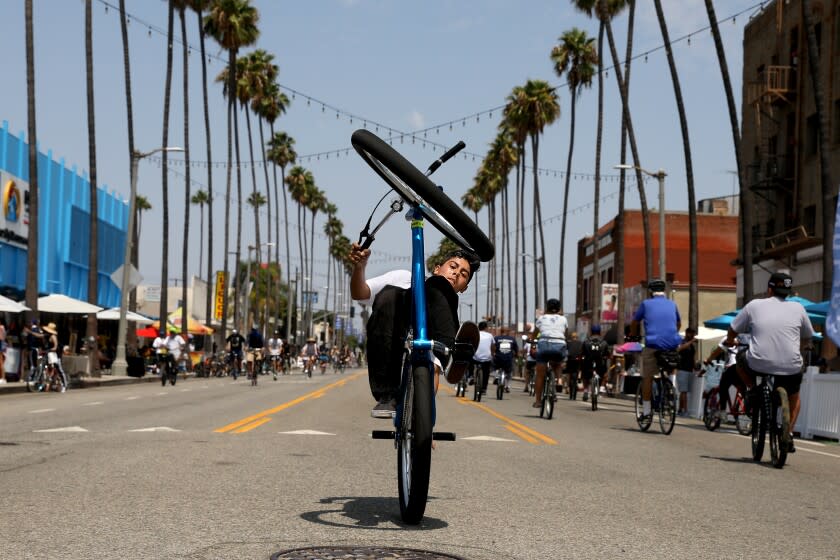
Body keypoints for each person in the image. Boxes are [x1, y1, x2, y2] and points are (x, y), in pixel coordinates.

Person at [349, 242, 480, 418]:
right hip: (394, 326)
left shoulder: (444, 301)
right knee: (389, 294)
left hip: (435, 331)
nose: (456, 273)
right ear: (437, 267)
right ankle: (387, 396)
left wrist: (423, 429)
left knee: (439, 287)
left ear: (464, 288)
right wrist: (359, 267)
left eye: (464, 274)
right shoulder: (402, 277)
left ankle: (451, 351)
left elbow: (433, 372)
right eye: (453, 266)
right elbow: (360, 293)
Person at [726, 272, 814, 453]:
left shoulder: (755, 305)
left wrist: (730, 341)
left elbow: (733, 329)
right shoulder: (798, 308)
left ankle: (751, 389)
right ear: (787, 292)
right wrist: (799, 348)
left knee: (741, 359)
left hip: (758, 363)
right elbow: (807, 336)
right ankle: (788, 434)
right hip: (791, 365)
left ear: (769, 289)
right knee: (794, 396)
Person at [630, 279, 682, 423]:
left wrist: (634, 337)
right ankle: (671, 387)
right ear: (664, 290)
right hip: (672, 343)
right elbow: (678, 323)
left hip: (653, 343)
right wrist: (671, 336)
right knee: (671, 364)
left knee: (648, 377)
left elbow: (635, 322)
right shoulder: (672, 304)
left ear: (650, 291)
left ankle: (646, 412)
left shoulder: (646, 304)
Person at [704, 333, 750, 422]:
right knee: (743, 387)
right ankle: (749, 407)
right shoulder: (749, 336)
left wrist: (709, 359)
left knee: (723, 385)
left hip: (733, 367)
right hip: (748, 366)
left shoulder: (728, 338)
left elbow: (718, 350)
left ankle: (723, 410)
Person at [531, 298, 568, 408]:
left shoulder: (541, 318)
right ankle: (558, 380)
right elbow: (566, 333)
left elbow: (535, 334)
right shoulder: (563, 319)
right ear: (559, 308)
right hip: (559, 345)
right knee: (557, 362)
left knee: (540, 375)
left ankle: (538, 401)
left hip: (544, 345)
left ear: (547, 307)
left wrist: (533, 345)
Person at [581, 325, 609, 402]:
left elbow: (582, 353)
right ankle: (601, 388)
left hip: (588, 362)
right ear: (599, 332)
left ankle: (586, 390)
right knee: (604, 374)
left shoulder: (586, 341)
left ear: (591, 332)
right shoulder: (604, 342)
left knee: (585, 375)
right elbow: (607, 354)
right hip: (600, 363)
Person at [675, 327, 698, 417]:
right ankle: (685, 410)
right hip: (682, 369)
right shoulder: (682, 341)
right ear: (686, 333)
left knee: (685, 391)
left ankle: (680, 409)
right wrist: (691, 342)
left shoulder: (691, 346)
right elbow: (679, 349)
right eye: (690, 333)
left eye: (693, 333)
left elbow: (692, 357)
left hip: (689, 370)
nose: (692, 335)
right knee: (683, 391)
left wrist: (695, 366)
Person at [42, 322, 67, 392]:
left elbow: (55, 347)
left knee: (59, 368)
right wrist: (31, 332)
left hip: (56, 354)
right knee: (48, 367)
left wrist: (48, 350)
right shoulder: (46, 336)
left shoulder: (53, 336)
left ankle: (64, 384)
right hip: (50, 354)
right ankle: (50, 382)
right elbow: (39, 336)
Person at [471, 321, 495, 395]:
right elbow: (493, 347)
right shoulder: (490, 335)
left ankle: (471, 376)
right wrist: (492, 354)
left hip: (476, 357)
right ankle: (484, 388)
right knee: (486, 372)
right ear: (486, 328)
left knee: (470, 361)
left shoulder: (475, 334)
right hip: (486, 357)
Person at [492, 326, 518, 393]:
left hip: (498, 358)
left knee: (494, 366)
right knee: (509, 372)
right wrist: (516, 356)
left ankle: (496, 376)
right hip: (508, 359)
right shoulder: (512, 339)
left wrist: (493, 354)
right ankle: (507, 386)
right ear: (508, 332)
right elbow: (516, 350)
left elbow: (493, 348)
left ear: (501, 331)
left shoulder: (496, 338)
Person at [564, 332, 583, 398]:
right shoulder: (580, 343)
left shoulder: (569, 343)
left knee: (569, 373)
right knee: (577, 372)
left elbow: (565, 351)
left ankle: (568, 387)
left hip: (570, 360)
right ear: (577, 337)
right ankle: (578, 379)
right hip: (578, 361)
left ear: (571, 337)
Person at [0, 317, 7, 384]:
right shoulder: (2, 327)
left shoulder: (1, 327)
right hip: (2, 345)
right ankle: (2, 378)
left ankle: (3, 378)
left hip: (1, 345)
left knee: (1, 362)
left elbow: (2, 337)